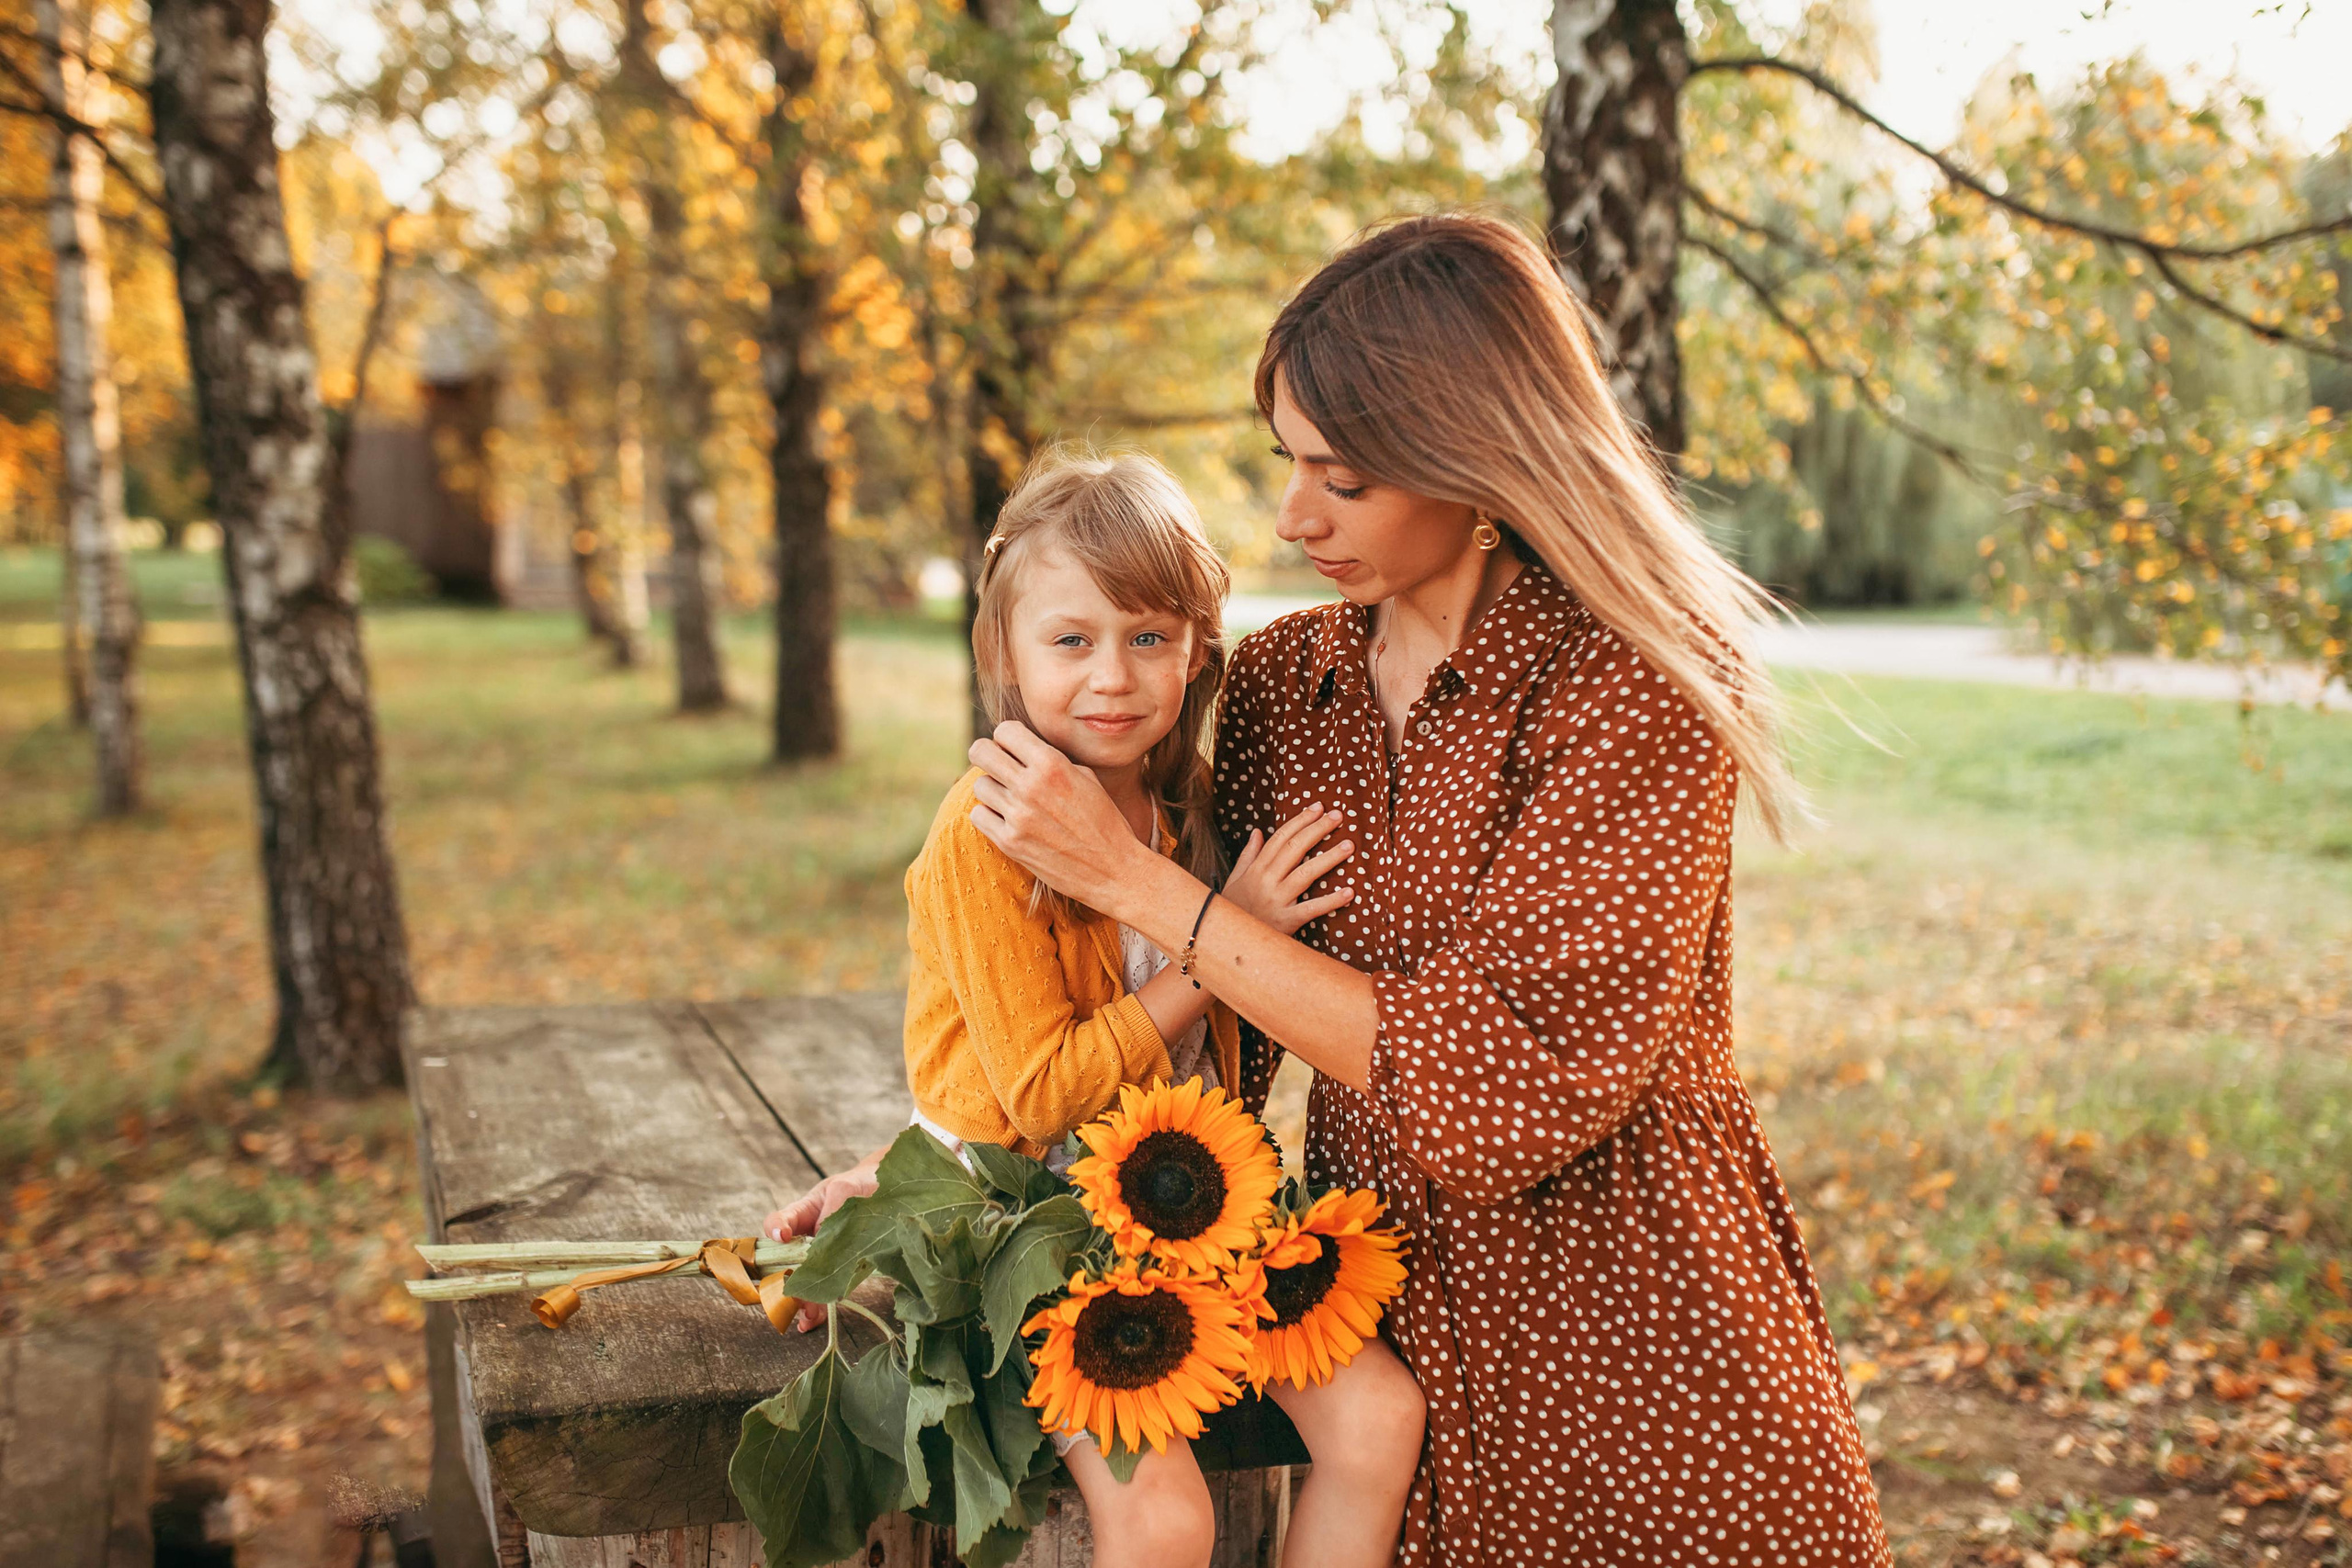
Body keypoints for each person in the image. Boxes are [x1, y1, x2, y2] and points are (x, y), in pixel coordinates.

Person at [962, 216, 1894, 1566]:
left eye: (1340, 476)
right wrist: (949, 1164)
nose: (1292, 515)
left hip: (1640, 1357)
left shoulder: (1636, 684)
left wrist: (1137, 881)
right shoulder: (1289, 684)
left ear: (1481, 458)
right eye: (1289, 462)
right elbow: (1207, 1033)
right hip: (1393, 1348)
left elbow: (1497, 1089)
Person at [763, 446, 1427, 1568]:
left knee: (1377, 1420)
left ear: (1195, 650)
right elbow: (1040, 1091)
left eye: (1147, 638)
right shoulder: (986, 836)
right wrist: (1227, 939)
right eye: (1070, 641)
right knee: (1165, 1518)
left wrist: (1230, 931)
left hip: (1184, 1204)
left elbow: (1228, 1055)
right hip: (1029, 1224)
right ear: (1006, 655)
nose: (1111, 678)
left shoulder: (1186, 804)